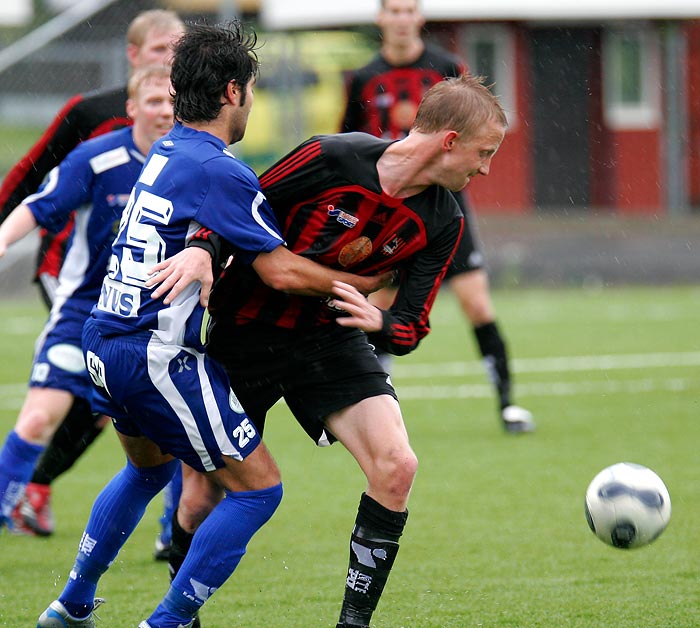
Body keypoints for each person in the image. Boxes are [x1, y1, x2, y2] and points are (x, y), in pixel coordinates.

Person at [32, 21, 389, 628]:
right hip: (151, 354)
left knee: (146, 469)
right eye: (249, 87)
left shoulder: (169, 146)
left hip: (104, 338)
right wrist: (363, 287)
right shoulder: (221, 169)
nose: (251, 99)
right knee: (259, 489)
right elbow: (277, 270)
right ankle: (164, 623)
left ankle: (71, 604)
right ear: (232, 93)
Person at [151, 71, 507, 628]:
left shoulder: (443, 221)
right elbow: (239, 208)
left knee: (396, 466)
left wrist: (382, 324)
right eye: (484, 153)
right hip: (244, 334)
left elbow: (412, 326)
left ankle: (352, 625)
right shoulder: (330, 156)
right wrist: (200, 248)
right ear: (449, 141)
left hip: (329, 340)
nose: (485, 169)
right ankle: (179, 620)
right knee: (197, 498)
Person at [2, 9, 186, 538]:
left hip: (161, 312)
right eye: (153, 98)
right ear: (131, 104)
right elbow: (37, 192)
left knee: (167, 428)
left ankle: (175, 528)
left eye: (172, 102)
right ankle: (16, 497)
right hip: (83, 301)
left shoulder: (196, 157)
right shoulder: (95, 144)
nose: (163, 109)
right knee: (45, 413)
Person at [340, 0, 535, 433]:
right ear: (381, 18)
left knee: (477, 303)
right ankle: (368, 399)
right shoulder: (365, 78)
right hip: (389, 211)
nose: (402, 18)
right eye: (394, 10)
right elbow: (349, 140)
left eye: (410, 9)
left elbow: (480, 128)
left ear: (420, 17)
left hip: (444, 209)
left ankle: (507, 405)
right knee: (377, 304)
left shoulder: (448, 67)